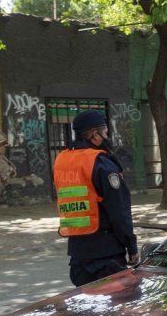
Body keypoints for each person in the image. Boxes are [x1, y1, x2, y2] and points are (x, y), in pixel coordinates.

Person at [54, 110, 137, 286]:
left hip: (78, 255)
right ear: (95, 135)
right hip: (106, 255)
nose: (107, 137)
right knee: (120, 301)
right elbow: (119, 210)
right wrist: (132, 246)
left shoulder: (62, 160)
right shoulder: (101, 163)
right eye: (105, 132)